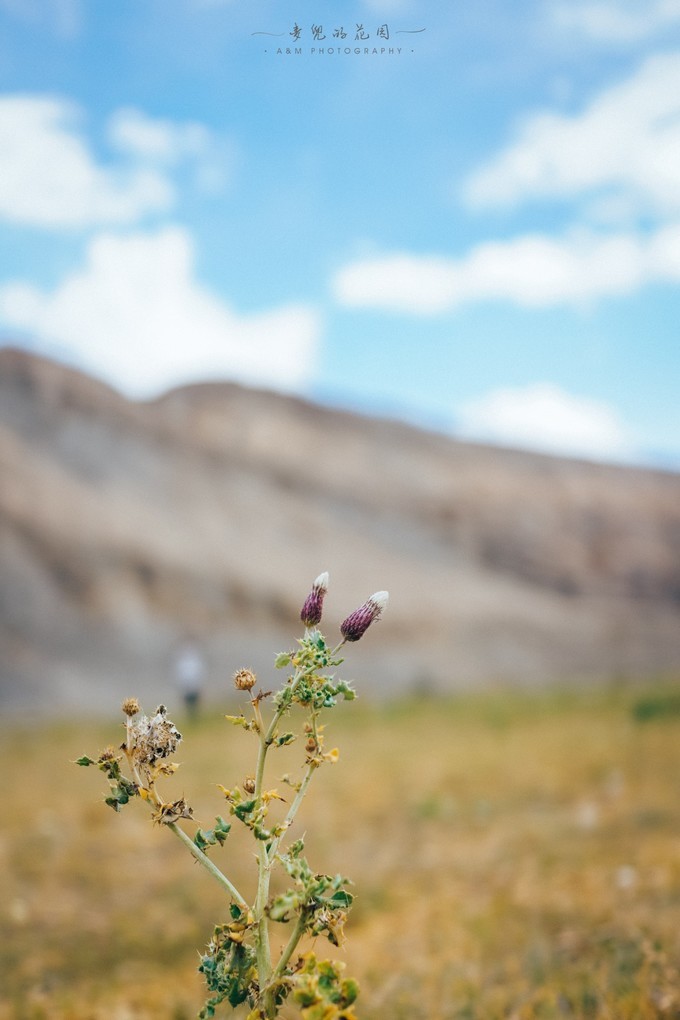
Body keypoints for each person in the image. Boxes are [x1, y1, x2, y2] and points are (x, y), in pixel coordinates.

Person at [172, 637, 205, 718]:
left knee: (194, 703)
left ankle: (194, 716)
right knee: (188, 704)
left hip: (193, 684)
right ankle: (191, 716)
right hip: (186, 685)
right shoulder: (183, 660)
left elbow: (199, 671)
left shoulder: (194, 659)